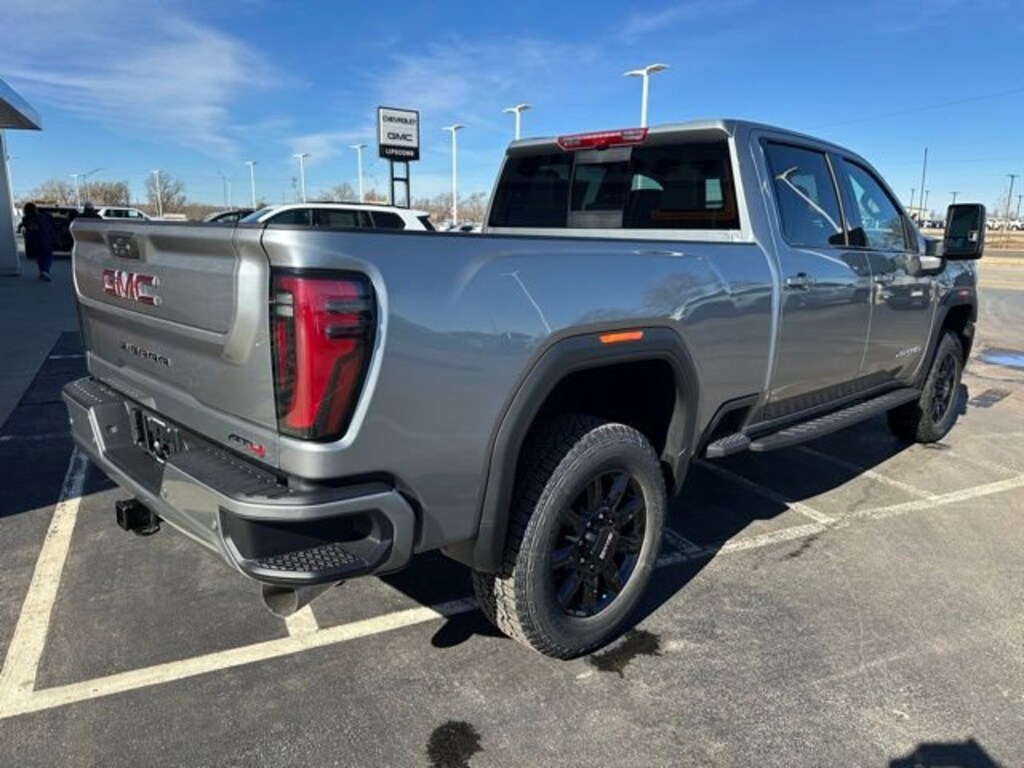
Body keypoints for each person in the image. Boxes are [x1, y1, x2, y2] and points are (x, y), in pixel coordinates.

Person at [17, 202, 55, 281]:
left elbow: (22, 228)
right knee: (47, 256)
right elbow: (50, 227)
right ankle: (45, 271)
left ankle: (42, 271)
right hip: (45, 239)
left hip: (33, 241)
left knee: (39, 257)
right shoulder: (43, 216)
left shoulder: (26, 218)